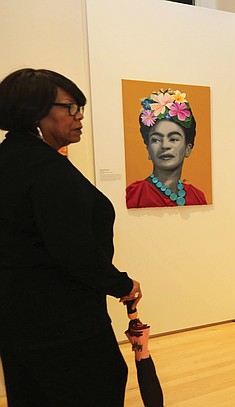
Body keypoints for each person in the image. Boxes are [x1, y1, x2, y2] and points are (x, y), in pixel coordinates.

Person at [0, 68, 142, 407]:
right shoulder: (45, 169)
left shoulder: (10, 159)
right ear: (34, 110)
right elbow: (73, 249)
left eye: (81, 108)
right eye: (71, 107)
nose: (79, 117)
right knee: (94, 386)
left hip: (17, 315)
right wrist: (122, 284)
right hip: (61, 320)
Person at [126, 88, 207, 208]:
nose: (164, 146)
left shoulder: (196, 196)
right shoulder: (135, 194)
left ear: (187, 149)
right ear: (148, 149)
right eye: (156, 140)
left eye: (173, 139)